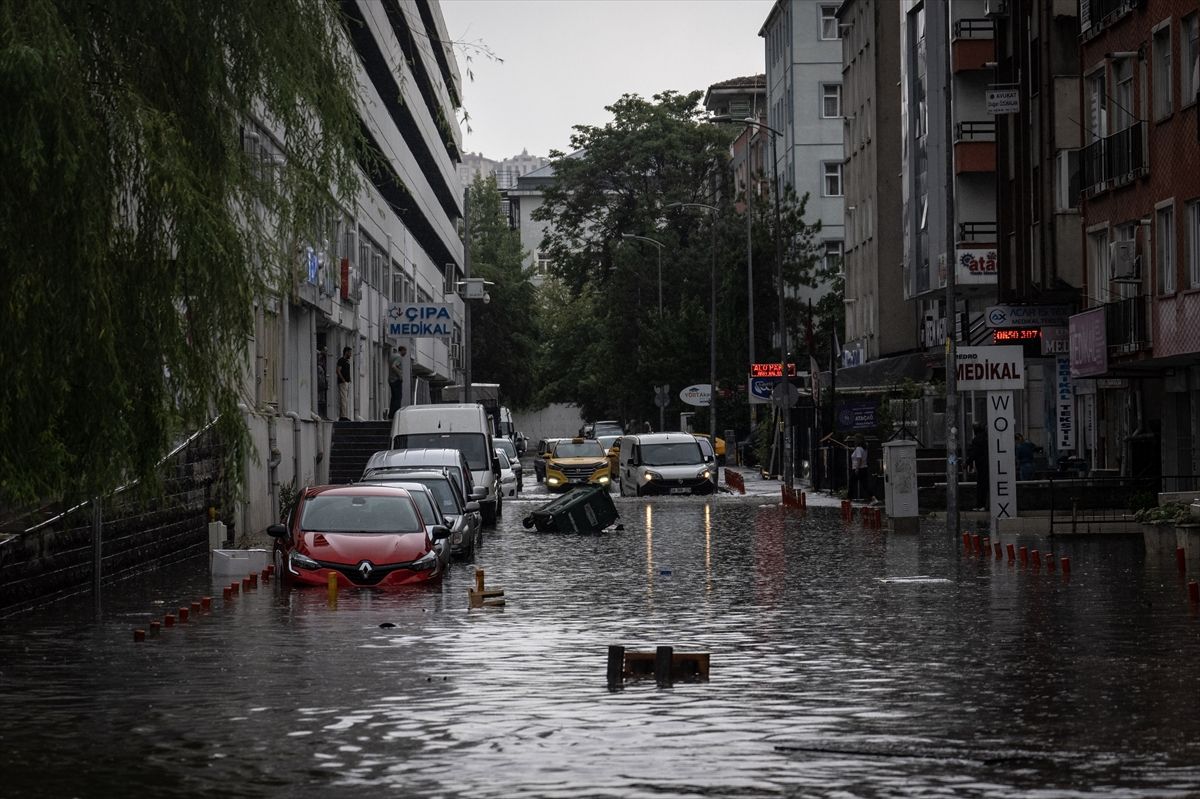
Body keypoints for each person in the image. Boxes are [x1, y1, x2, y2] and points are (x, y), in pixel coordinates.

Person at [966, 422, 989, 511]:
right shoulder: (986, 438)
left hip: (982, 465)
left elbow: (974, 453)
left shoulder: (977, 440)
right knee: (985, 486)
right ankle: (983, 505)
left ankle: (981, 505)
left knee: (981, 486)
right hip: (987, 464)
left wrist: (967, 463)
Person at [388, 345, 407, 418]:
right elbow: (394, 366)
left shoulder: (392, 356)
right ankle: (396, 414)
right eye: (405, 351)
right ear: (402, 350)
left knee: (393, 398)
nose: (405, 353)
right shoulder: (399, 357)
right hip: (396, 380)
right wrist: (400, 375)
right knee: (398, 398)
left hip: (391, 380)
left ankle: (391, 414)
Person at [850, 435, 868, 500]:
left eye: (855, 439)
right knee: (865, 485)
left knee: (851, 483)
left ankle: (849, 499)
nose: (854, 440)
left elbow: (859, 458)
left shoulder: (858, 448)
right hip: (864, 468)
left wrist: (857, 469)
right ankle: (873, 498)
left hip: (858, 469)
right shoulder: (864, 448)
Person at [336, 346, 352, 421]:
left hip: (347, 382)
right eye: (349, 352)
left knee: (345, 399)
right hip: (343, 383)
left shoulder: (347, 361)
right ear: (346, 352)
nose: (350, 354)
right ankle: (343, 416)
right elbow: (338, 370)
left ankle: (343, 415)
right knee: (343, 399)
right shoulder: (341, 360)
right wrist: (343, 380)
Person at [316, 346, 329, 419]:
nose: (326, 353)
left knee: (322, 398)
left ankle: (323, 414)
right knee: (320, 398)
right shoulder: (320, 361)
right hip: (320, 382)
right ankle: (321, 414)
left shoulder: (324, 359)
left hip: (322, 381)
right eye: (325, 351)